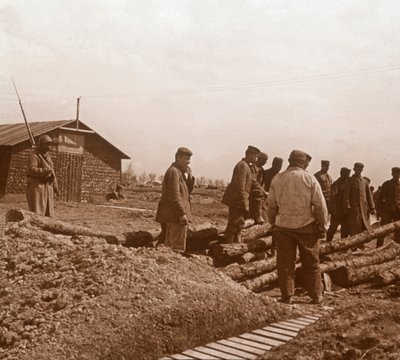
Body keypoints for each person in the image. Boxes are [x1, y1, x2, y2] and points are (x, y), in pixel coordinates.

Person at [267, 150, 328, 304]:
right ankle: (316, 296)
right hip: (306, 226)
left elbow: (271, 205)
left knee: (285, 263)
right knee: (312, 262)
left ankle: (287, 295)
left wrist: (273, 222)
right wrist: (322, 225)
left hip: (283, 226)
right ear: (302, 162)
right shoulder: (309, 178)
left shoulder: (278, 178)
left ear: (289, 160)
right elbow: (319, 205)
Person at [155, 147, 195, 253]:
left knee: (171, 247)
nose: (188, 162)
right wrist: (182, 213)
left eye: (189, 159)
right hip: (175, 216)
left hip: (175, 215)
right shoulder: (174, 172)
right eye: (186, 159)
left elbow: (186, 193)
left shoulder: (179, 172)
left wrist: (190, 178)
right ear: (178, 158)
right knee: (174, 248)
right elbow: (174, 196)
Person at [222, 145, 260, 243]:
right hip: (237, 202)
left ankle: (235, 245)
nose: (256, 159)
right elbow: (240, 187)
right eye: (255, 156)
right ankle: (228, 248)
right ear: (249, 155)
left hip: (238, 201)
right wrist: (243, 203)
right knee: (234, 225)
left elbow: (251, 183)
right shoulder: (242, 166)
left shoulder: (246, 166)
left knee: (238, 225)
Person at [26, 134, 58, 217]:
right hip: (37, 187)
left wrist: (55, 185)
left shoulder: (47, 157)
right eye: (47, 144)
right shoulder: (34, 156)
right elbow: (31, 170)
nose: (49, 146)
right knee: (38, 211)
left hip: (48, 187)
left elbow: (52, 171)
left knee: (49, 212)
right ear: (41, 144)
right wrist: (45, 171)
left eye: (50, 144)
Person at [343, 162, 375, 238]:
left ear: (362, 170)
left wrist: (372, 207)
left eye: (360, 169)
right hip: (354, 208)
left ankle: (361, 243)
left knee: (363, 225)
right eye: (357, 169)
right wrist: (347, 205)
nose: (359, 170)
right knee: (355, 225)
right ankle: (355, 245)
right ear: (354, 169)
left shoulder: (364, 181)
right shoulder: (350, 181)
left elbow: (369, 195)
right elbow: (346, 195)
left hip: (364, 208)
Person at [262, 156, 283, 255]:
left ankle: (273, 248)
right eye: (278, 165)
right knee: (265, 225)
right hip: (264, 202)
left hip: (276, 204)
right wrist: (265, 193)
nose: (279, 168)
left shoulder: (281, 176)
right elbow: (260, 185)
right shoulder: (265, 173)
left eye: (280, 166)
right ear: (273, 164)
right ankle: (262, 248)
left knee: (276, 226)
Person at [376, 167, 400, 247]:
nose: (397, 175)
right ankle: (378, 247)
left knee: (398, 231)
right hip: (387, 211)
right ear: (392, 174)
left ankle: (397, 248)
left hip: (398, 211)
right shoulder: (387, 184)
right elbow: (380, 198)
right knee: (383, 230)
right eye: (395, 173)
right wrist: (379, 211)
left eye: (399, 173)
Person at [326, 167, 351, 241]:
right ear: (342, 174)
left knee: (345, 229)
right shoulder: (336, 184)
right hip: (337, 211)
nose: (348, 176)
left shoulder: (348, 184)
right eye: (346, 174)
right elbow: (332, 198)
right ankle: (328, 242)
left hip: (345, 211)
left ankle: (344, 245)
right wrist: (334, 210)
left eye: (348, 174)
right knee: (333, 228)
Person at [250, 151, 268, 224]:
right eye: (264, 160)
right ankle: (258, 215)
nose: (265, 162)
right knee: (259, 194)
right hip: (252, 190)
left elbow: (262, 183)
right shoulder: (253, 167)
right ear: (259, 159)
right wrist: (263, 192)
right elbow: (253, 182)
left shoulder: (261, 169)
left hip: (258, 190)